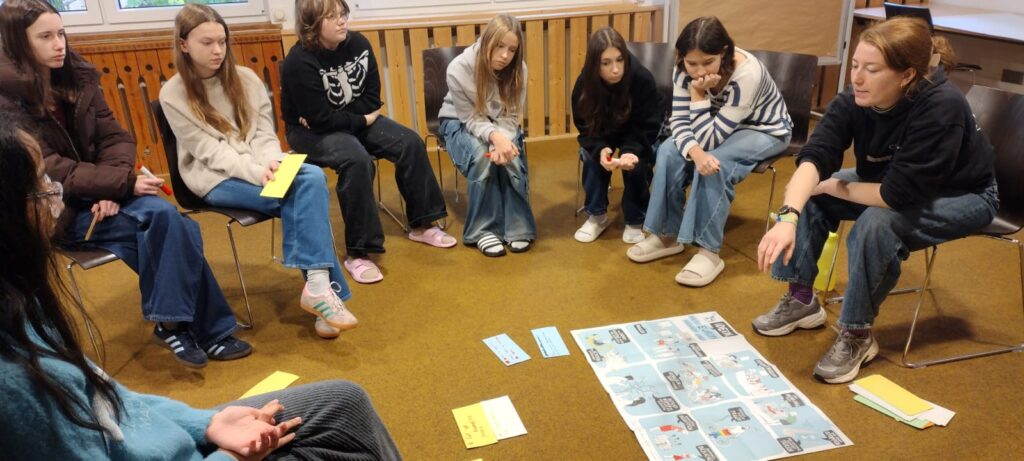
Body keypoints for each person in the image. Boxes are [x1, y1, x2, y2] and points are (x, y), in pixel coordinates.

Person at [0, 113, 403, 460]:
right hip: (216, 179)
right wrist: (230, 454)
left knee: (345, 402)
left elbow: (107, 397)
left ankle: (306, 288)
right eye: (43, 185)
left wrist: (205, 422)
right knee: (342, 430)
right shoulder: (12, 385)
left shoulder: (22, 308)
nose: (55, 196)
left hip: (168, 436)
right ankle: (182, 322)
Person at [0, 0, 250, 368]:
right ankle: (201, 328)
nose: (59, 44)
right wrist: (116, 186)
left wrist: (111, 187)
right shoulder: (6, 101)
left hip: (105, 196)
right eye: (46, 37)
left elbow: (115, 138)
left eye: (62, 33)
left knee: (164, 226)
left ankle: (175, 325)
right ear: (17, 42)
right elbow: (49, 168)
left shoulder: (76, 77)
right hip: (56, 208)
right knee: (169, 223)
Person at [753, 17, 998, 384]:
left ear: (906, 76)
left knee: (876, 223)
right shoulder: (856, 98)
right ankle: (802, 299)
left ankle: (857, 333)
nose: (857, 78)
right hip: (898, 180)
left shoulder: (941, 106)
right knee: (809, 195)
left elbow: (894, 197)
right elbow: (816, 156)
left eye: (872, 69)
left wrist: (831, 186)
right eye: (855, 65)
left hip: (965, 194)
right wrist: (789, 216)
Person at [160, 3, 358, 340]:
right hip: (214, 178)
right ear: (184, 45)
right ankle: (324, 293)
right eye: (206, 42)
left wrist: (272, 162)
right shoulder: (173, 93)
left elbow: (265, 134)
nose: (217, 50)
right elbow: (210, 152)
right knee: (306, 189)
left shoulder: (247, 79)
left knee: (308, 181)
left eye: (222, 41)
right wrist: (257, 172)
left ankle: (318, 290)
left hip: (260, 166)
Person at [281, 0, 454, 284]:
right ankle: (359, 253)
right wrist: (357, 119)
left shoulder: (359, 43)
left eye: (342, 14)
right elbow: (320, 120)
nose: (342, 21)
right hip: (309, 133)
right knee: (357, 160)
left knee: (409, 142)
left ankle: (423, 224)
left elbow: (372, 97)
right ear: (312, 24)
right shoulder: (298, 62)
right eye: (332, 17)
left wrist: (350, 118)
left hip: (354, 119)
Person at [627, 16, 792, 287]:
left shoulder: (746, 74)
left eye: (708, 62)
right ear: (682, 57)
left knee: (718, 162)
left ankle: (708, 251)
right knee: (668, 150)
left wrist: (697, 95)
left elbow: (710, 140)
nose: (699, 71)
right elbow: (679, 123)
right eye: (692, 63)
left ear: (723, 53)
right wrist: (696, 153)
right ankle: (666, 235)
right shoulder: (682, 68)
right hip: (712, 123)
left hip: (765, 129)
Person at [438, 13, 537, 257]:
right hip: (459, 120)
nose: (505, 55)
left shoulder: (519, 70)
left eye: (512, 49)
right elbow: (470, 118)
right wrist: (494, 138)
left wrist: (501, 141)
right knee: (482, 156)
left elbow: (511, 116)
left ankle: (517, 227)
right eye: (500, 46)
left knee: (510, 156)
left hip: (500, 123)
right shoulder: (459, 68)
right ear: (486, 40)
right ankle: (483, 230)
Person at [570, 27, 663, 244]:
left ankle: (635, 219)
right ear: (595, 64)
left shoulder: (641, 78)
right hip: (602, 133)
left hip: (637, 132)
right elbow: (585, 125)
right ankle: (597, 215)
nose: (615, 69)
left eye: (620, 60)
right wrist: (600, 148)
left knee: (637, 164)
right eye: (606, 63)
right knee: (592, 158)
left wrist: (631, 150)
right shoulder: (584, 84)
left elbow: (648, 124)